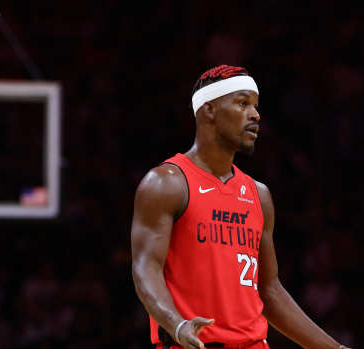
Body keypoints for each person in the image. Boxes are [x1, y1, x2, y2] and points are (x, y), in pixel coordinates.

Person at [131, 65, 351, 349]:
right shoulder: (166, 184)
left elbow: (269, 291)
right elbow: (145, 269)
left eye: (256, 106)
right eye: (242, 103)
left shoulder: (258, 195)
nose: (256, 115)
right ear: (209, 109)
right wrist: (177, 324)